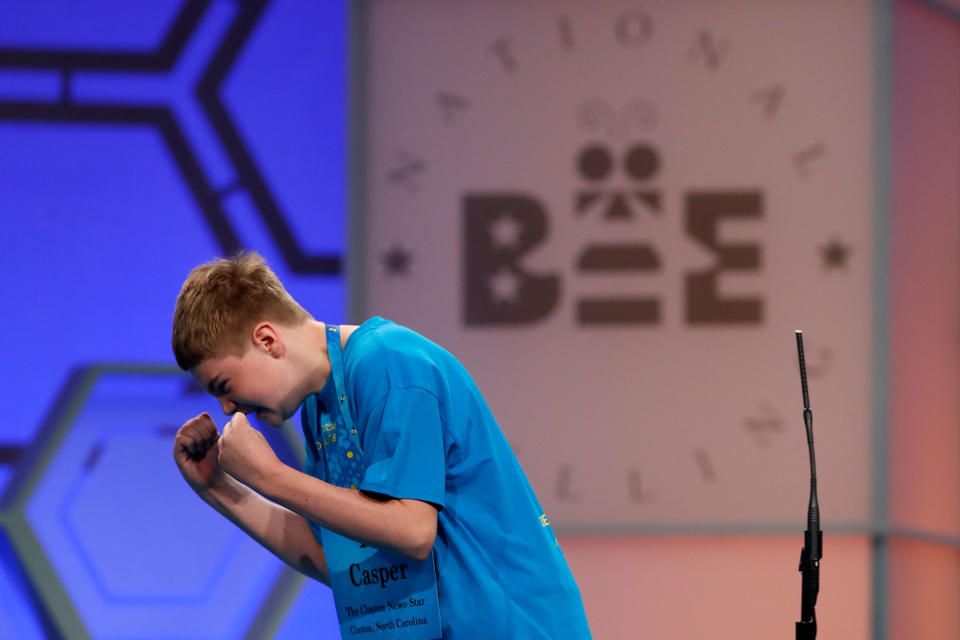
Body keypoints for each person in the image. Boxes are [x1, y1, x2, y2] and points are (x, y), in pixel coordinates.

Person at [171, 251, 592, 639]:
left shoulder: (388, 361)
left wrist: (269, 475)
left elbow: (412, 531)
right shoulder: (319, 407)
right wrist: (217, 487)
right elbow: (332, 558)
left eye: (223, 386)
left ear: (267, 340)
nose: (227, 408)